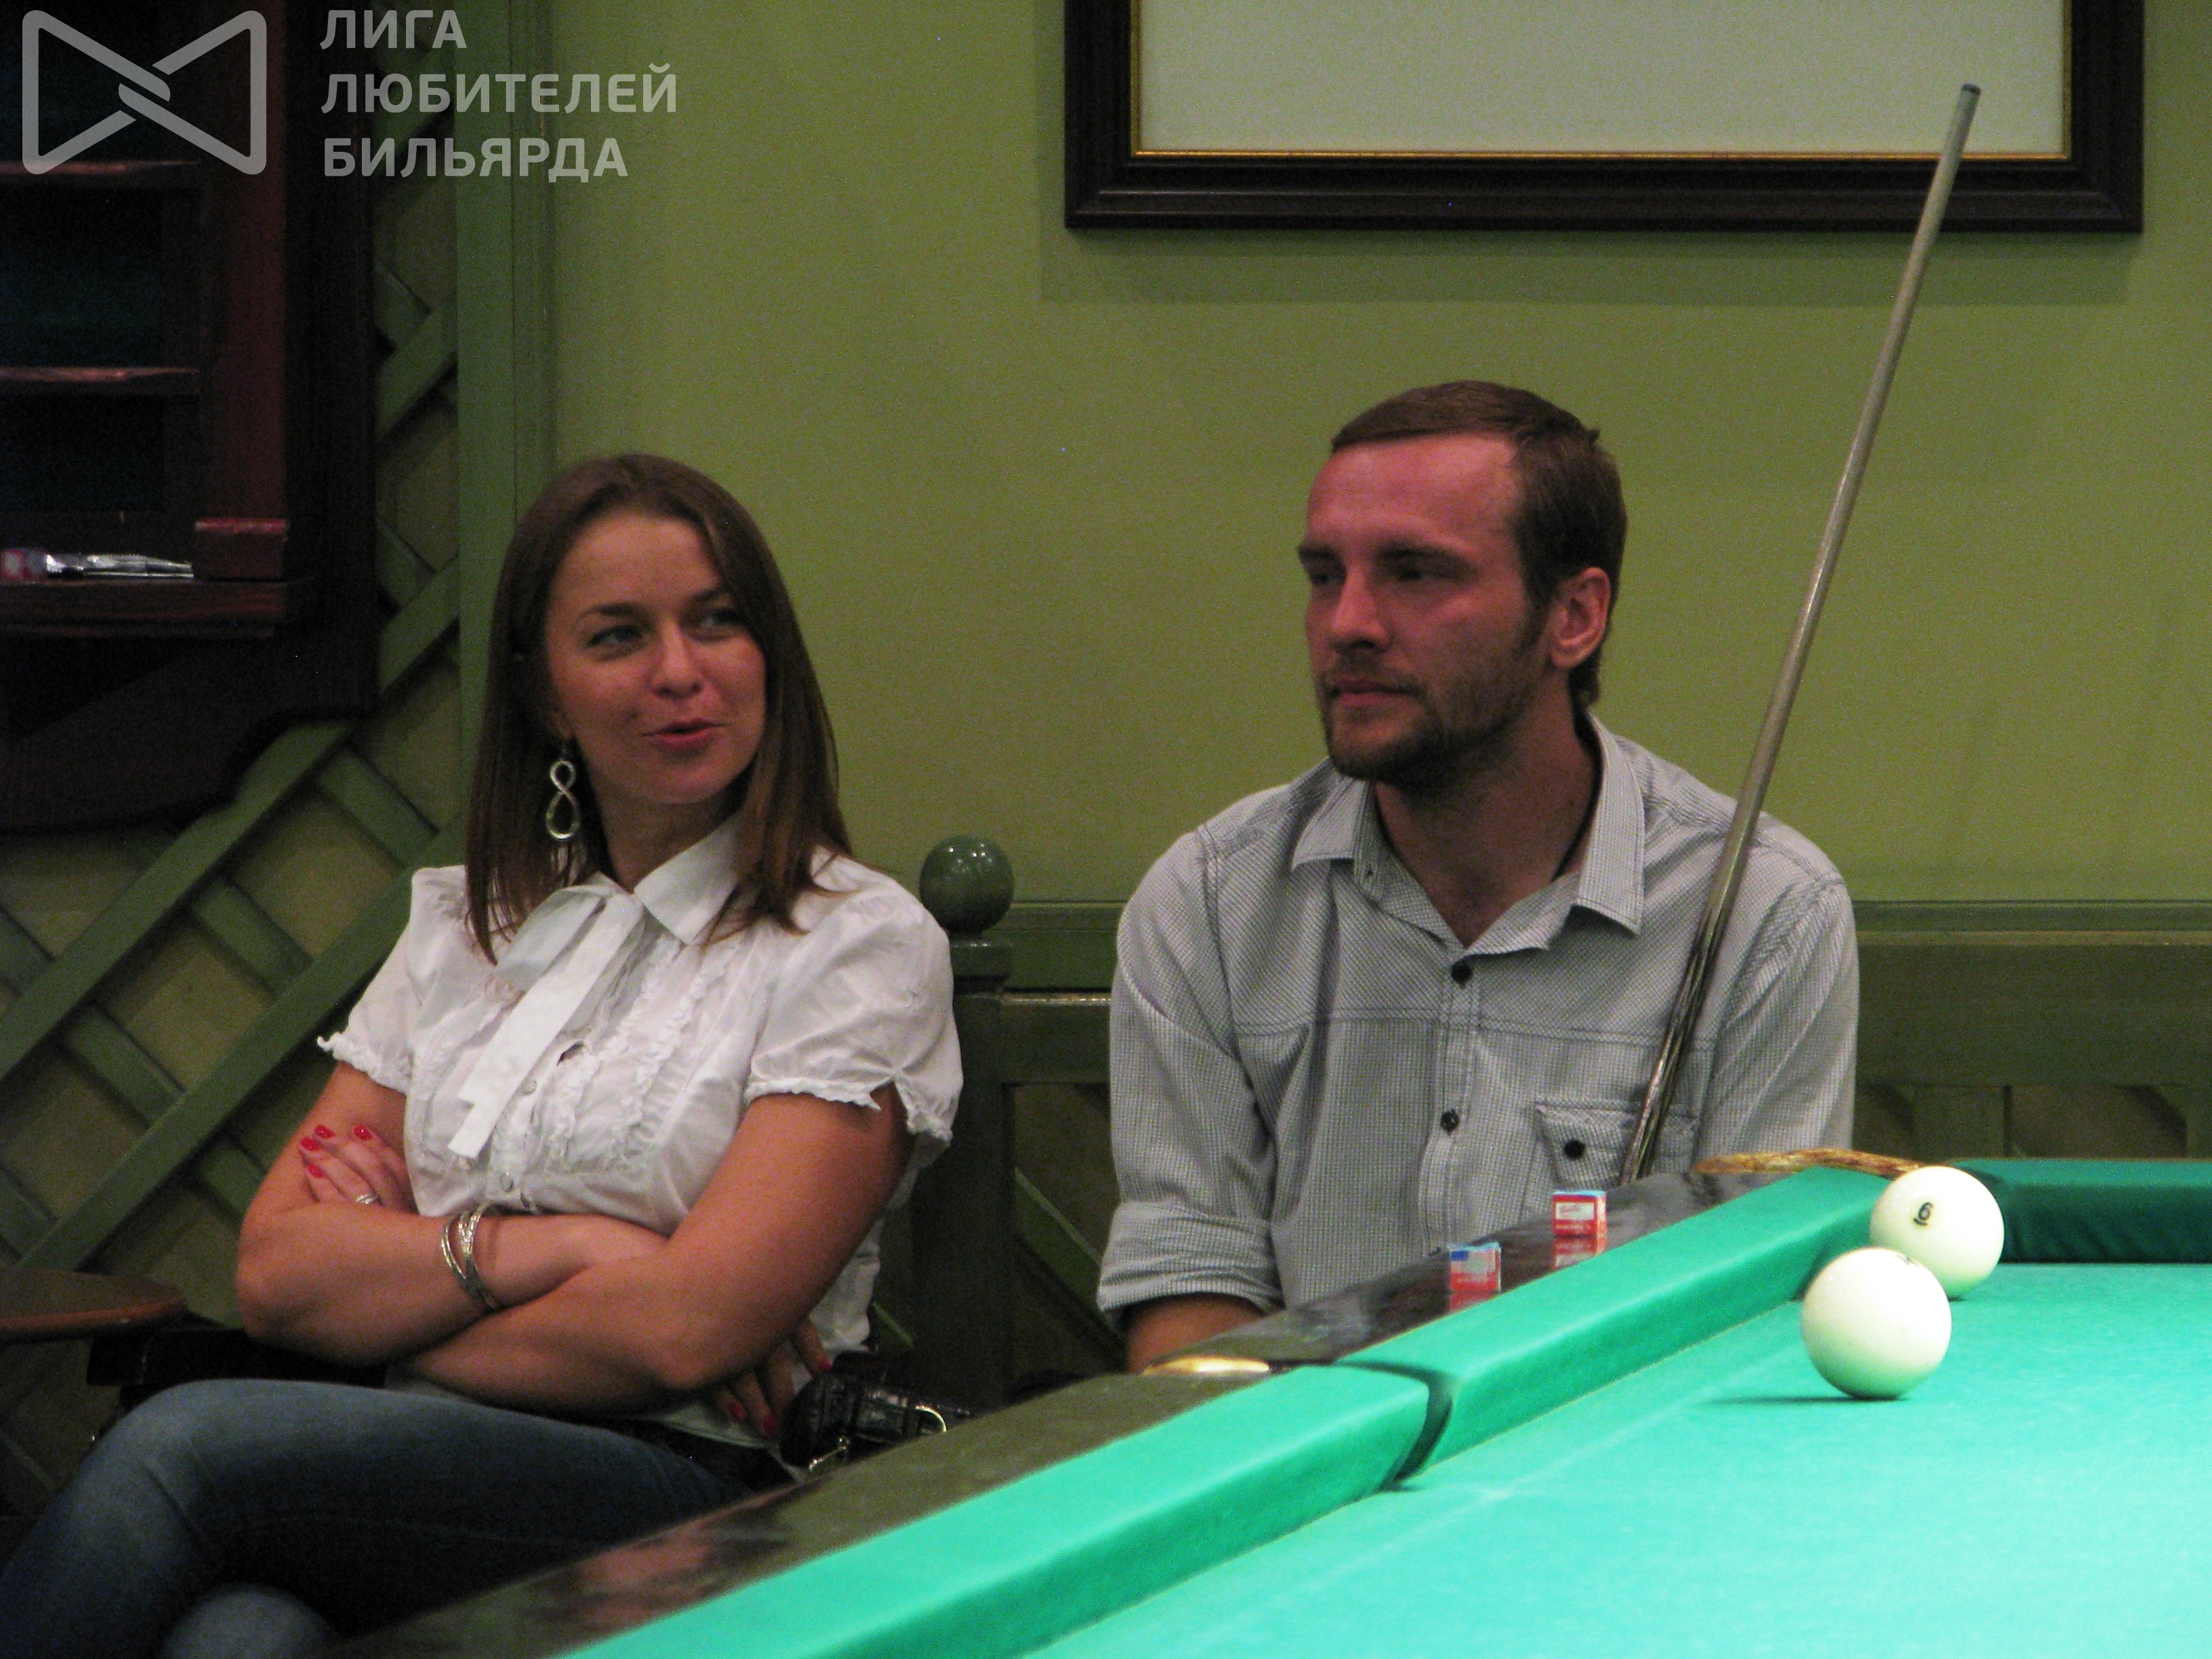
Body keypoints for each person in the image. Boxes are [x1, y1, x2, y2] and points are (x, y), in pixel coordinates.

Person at [0, 455, 960, 1658]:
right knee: (241, 1637)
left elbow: (685, 1335)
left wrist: (398, 1299)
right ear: (546, 693)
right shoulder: (466, 925)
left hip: (706, 1492)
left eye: (716, 622)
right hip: (403, 1468)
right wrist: (572, 1249)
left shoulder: (854, 944)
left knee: (183, 1450)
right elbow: (279, 1273)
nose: (679, 671)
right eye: (618, 636)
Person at [1101, 382, 1856, 1371]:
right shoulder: (1208, 903)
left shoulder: (1765, 913)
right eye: (1325, 576)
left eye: (1415, 573)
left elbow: (1750, 1320)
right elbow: (1191, 1298)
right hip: (1311, 1448)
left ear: (1573, 616)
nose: (1347, 623)